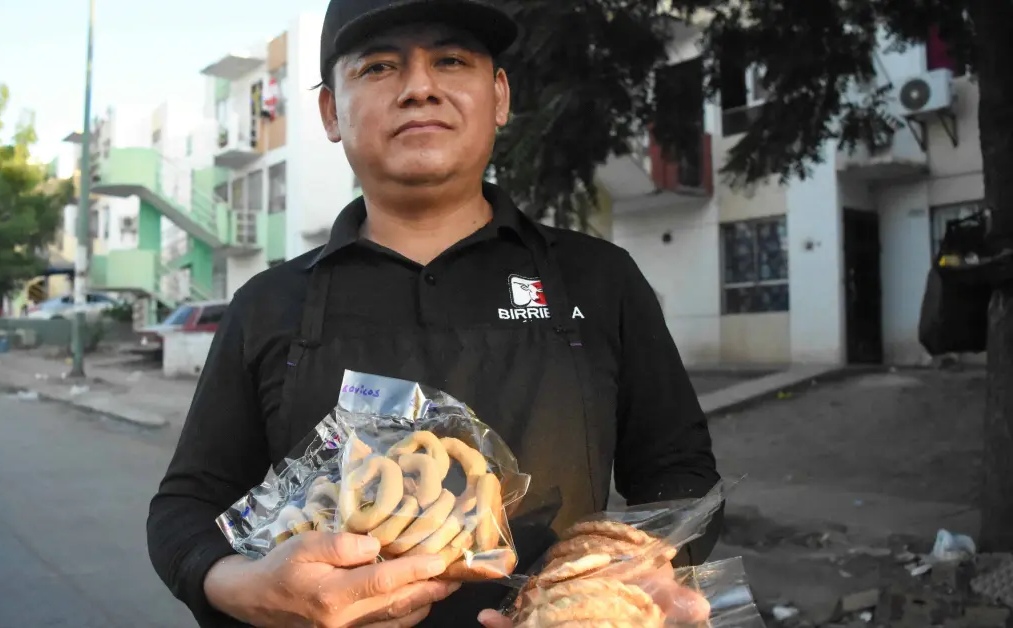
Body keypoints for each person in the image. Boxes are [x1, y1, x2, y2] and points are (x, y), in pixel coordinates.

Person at [146, 0, 722, 625]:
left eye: (450, 60)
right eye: (379, 67)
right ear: (330, 111)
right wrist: (240, 585)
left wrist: (649, 571)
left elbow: (680, 473)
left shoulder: (599, 279)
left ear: (499, 96)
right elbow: (187, 505)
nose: (420, 88)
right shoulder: (267, 303)